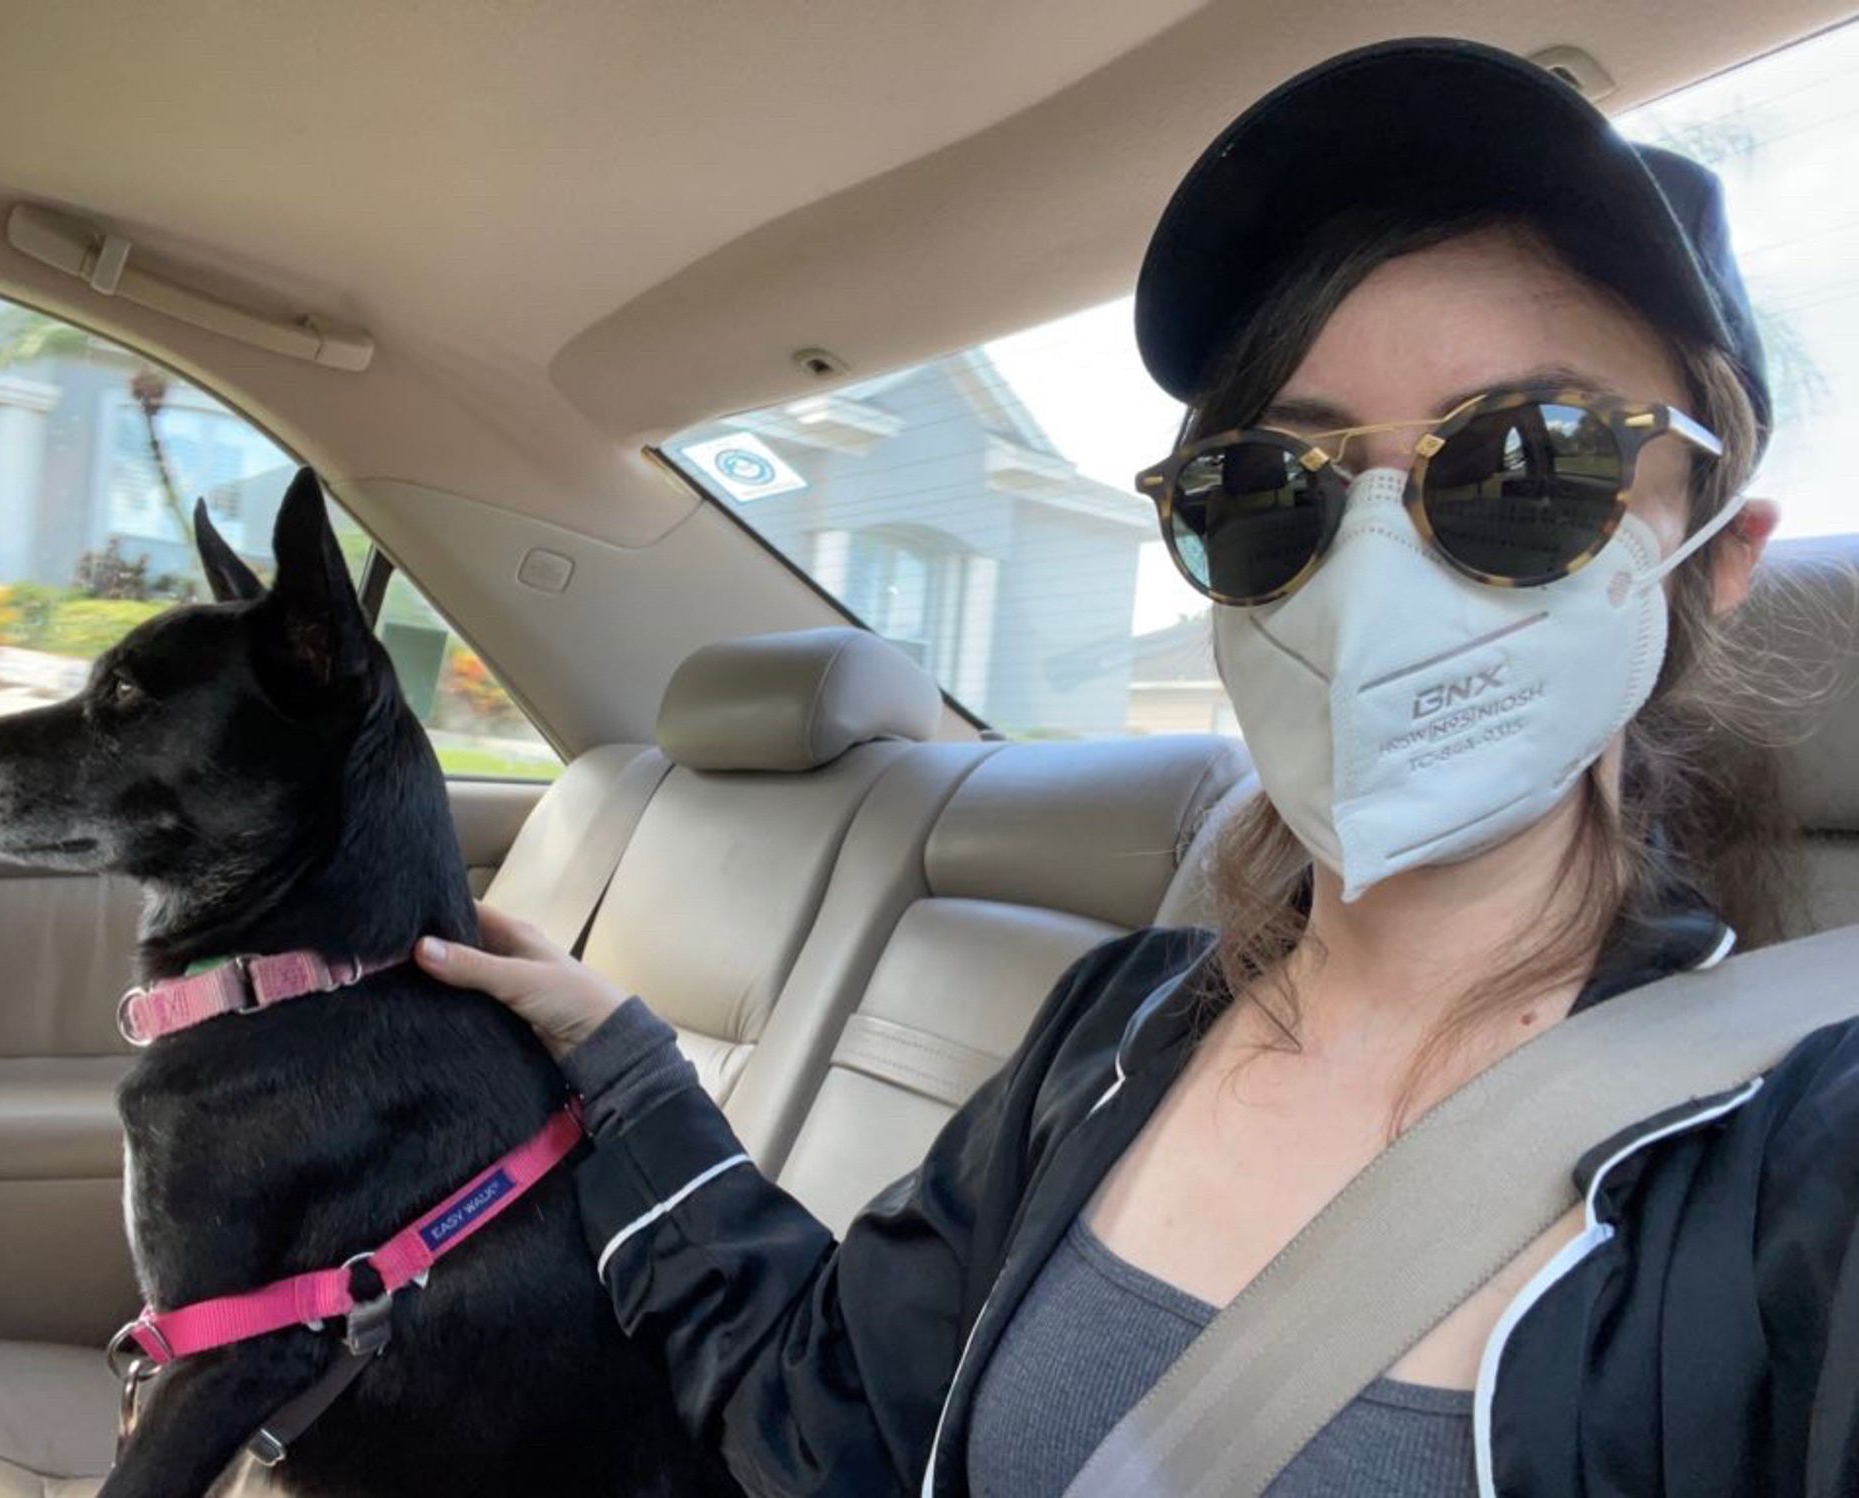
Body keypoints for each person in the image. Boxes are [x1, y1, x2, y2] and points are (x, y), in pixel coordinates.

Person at [415, 38, 1859, 1497]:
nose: (1370, 568)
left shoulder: (1804, 1166)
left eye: (1524, 466)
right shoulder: (1115, 1026)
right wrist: (623, 1062)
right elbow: (827, 1424)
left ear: (1719, 551)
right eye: (1268, 489)